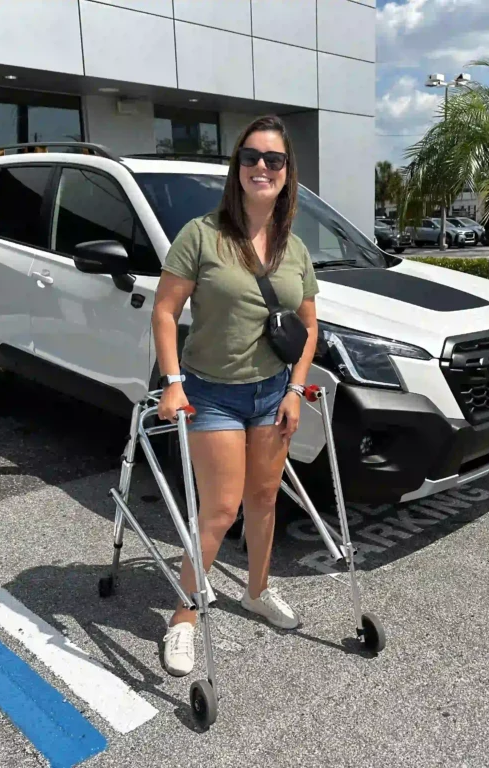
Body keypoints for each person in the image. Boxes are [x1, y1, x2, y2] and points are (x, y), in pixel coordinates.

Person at [150, 115, 320, 677]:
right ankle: (183, 617)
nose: (262, 168)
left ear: (287, 172)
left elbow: (309, 325)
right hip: (213, 394)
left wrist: (295, 390)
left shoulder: (294, 247)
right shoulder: (201, 234)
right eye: (251, 157)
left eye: (274, 160)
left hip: (272, 394)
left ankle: (255, 590)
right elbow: (166, 310)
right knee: (221, 509)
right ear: (237, 168)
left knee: (265, 502)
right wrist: (173, 384)